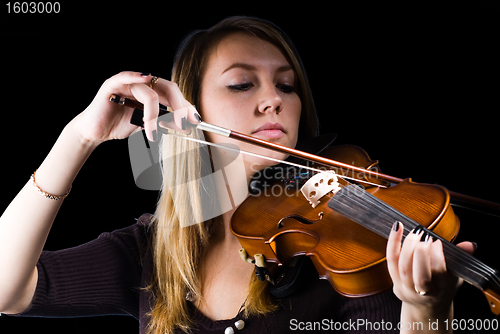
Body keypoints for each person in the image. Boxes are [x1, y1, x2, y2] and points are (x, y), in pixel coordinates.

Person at [0, 16, 475, 334]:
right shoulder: (154, 250)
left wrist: (426, 313)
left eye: (286, 86)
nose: (275, 100)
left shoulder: (339, 256)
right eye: (242, 83)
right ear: (188, 111)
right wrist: (79, 137)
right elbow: (7, 290)